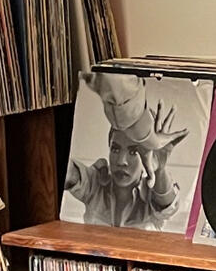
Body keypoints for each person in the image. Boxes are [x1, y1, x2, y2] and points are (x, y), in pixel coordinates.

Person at [65, 72, 192, 229]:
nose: (121, 161)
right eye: (116, 149)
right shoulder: (96, 184)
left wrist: (159, 170)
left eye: (133, 152)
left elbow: (167, 205)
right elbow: (66, 173)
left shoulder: (150, 196)